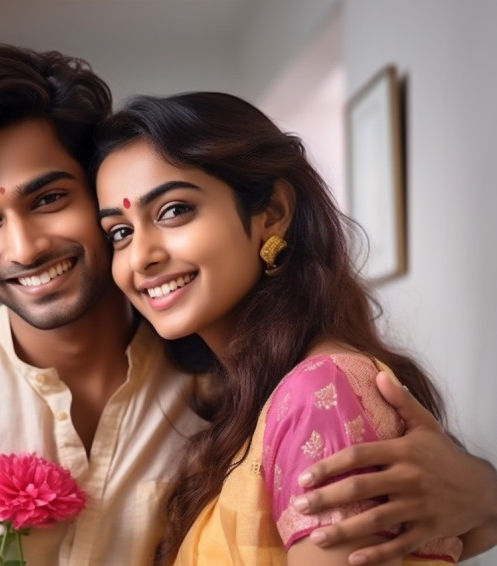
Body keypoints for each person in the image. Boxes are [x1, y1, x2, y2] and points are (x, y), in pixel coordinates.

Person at [0, 45, 497, 566]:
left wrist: (484, 488)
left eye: (49, 199)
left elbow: (406, 493)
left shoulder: (228, 378)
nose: (24, 247)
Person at [93, 91, 497, 565]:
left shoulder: (319, 390)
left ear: (274, 212)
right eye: (120, 232)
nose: (141, 256)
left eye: (174, 210)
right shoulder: (243, 399)